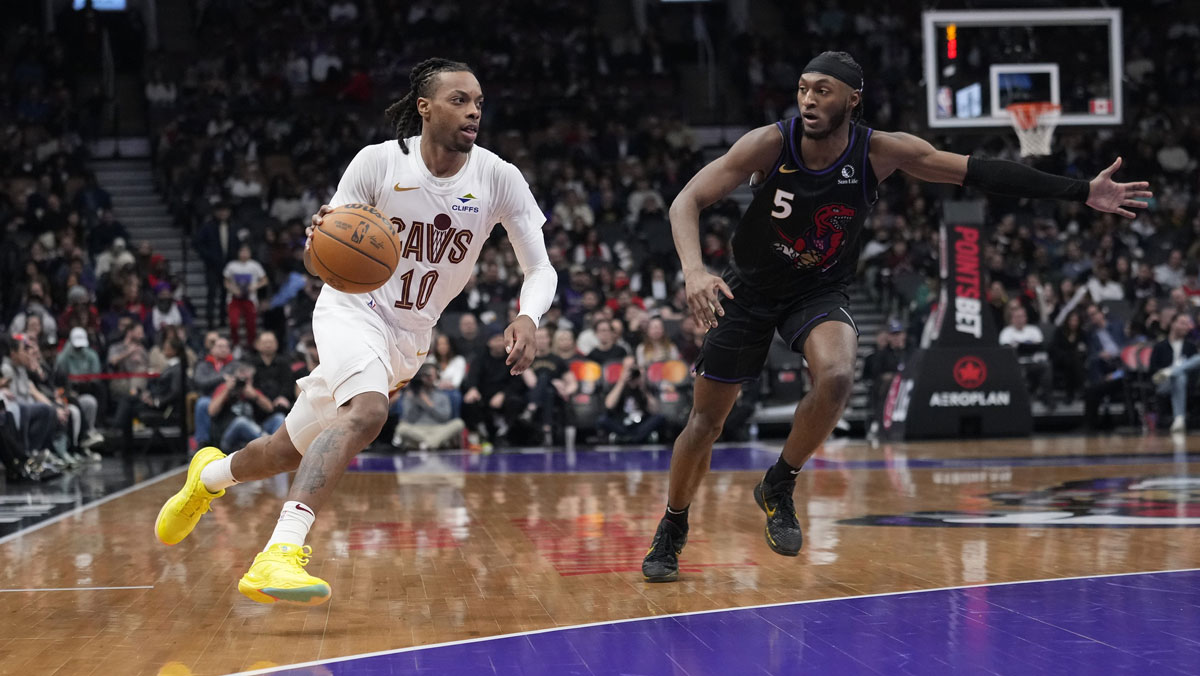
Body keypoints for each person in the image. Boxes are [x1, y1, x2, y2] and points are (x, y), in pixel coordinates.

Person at [642, 51, 1153, 583]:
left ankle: (780, 482)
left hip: (817, 288)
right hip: (748, 289)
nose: (809, 100)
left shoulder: (881, 151)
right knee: (706, 424)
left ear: (852, 99)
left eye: (823, 90)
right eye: (803, 89)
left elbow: (979, 173)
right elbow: (686, 201)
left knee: (838, 376)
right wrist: (694, 271)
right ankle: (673, 524)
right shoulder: (771, 142)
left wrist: (1081, 191)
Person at [154, 58, 555, 606]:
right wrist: (318, 240)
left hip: (409, 339)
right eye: (459, 100)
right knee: (368, 414)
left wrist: (528, 315)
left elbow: (540, 269)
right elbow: (320, 262)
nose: (474, 111)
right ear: (425, 107)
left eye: (479, 102)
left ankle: (210, 476)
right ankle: (280, 553)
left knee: (283, 452)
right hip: (352, 309)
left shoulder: (498, 177)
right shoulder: (376, 163)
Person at [390, 364, 464, 450]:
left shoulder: (442, 395)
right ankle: (432, 443)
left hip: (438, 429)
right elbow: (408, 418)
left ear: (436, 376)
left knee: (459, 423)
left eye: (430, 375)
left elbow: (445, 417)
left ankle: (427, 443)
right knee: (401, 427)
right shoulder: (411, 394)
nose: (428, 379)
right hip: (418, 430)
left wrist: (428, 403)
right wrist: (414, 400)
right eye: (425, 376)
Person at [1151, 313, 1198, 433]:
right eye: (1183, 323)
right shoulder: (1160, 346)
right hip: (1163, 383)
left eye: (1188, 324)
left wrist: (1174, 372)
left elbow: (1194, 373)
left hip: (1185, 383)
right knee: (1179, 376)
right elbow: (1153, 370)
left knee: (1181, 376)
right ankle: (1179, 418)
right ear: (1173, 323)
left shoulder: (1191, 346)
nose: (1186, 327)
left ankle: (1179, 419)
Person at [223, 244, 269, 351]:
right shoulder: (232, 265)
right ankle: (236, 344)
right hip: (235, 298)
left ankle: (251, 345)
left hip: (250, 298)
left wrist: (255, 286)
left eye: (246, 251)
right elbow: (226, 281)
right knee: (233, 322)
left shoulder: (255, 265)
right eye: (242, 251)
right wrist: (233, 289)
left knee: (251, 324)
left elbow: (265, 280)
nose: (244, 254)